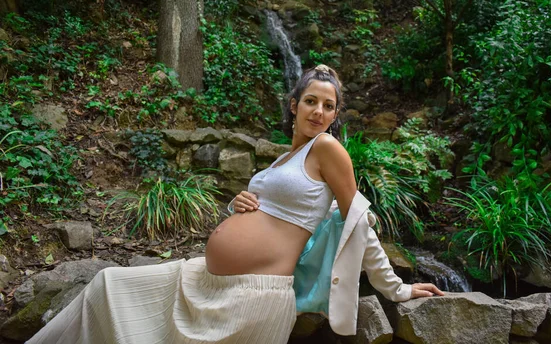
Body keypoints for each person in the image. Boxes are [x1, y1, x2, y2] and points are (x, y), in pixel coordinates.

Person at [28, 65, 441, 344]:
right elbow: (270, 212)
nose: (319, 112)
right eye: (311, 101)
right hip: (205, 280)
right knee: (107, 286)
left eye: (328, 106)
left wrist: (398, 289)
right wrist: (237, 205)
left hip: (252, 296)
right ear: (293, 105)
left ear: (335, 115)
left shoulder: (328, 149)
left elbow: (357, 222)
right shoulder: (283, 158)